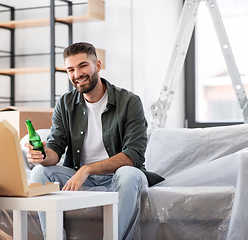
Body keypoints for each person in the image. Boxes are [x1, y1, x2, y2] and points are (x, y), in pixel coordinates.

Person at [25, 42, 163, 240]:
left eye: (83, 66)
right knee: (39, 172)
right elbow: (55, 150)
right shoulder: (65, 103)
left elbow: (133, 155)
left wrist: (87, 169)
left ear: (97, 65)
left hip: (119, 176)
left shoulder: (129, 102)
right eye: (70, 69)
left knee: (128, 174)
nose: (77, 74)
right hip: (81, 177)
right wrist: (42, 155)